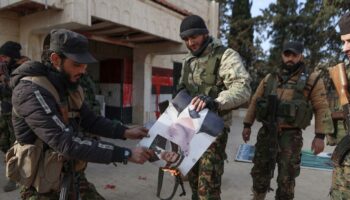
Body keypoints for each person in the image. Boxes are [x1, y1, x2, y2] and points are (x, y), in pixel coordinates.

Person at [8, 29, 153, 199]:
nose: (83, 70)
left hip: (71, 174)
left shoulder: (67, 86)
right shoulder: (30, 91)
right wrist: (126, 154)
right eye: (77, 64)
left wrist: (125, 131)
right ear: (55, 59)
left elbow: (90, 120)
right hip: (41, 186)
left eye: (85, 64)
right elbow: (65, 142)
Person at [242, 41, 334, 200]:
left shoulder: (312, 79)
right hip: (267, 133)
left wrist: (320, 136)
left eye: (294, 55)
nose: (290, 58)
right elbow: (255, 101)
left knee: (287, 179)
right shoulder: (270, 78)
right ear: (282, 55)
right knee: (260, 173)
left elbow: (322, 108)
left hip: (291, 137)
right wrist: (247, 125)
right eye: (287, 54)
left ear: (301, 56)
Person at [177, 15, 251, 200]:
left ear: (204, 33)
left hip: (213, 129)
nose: (190, 42)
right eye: (186, 39)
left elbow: (242, 88)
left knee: (207, 188)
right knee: (193, 182)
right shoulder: (188, 61)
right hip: (189, 129)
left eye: (193, 37)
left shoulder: (225, 55)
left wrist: (216, 101)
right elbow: (182, 89)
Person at [0, 41, 29, 192]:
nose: (2, 59)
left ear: (12, 56)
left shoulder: (23, 69)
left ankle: (14, 177)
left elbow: (18, 91)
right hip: (5, 112)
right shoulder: (6, 68)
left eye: (4, 56)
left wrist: (3, 83)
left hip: (17, 115)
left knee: (15, 146)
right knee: (4, 143)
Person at [330, 12, 350, 199]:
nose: (345, 48)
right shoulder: (346, 72)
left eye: (349, 41)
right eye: (343, 42)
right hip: (345, 165)